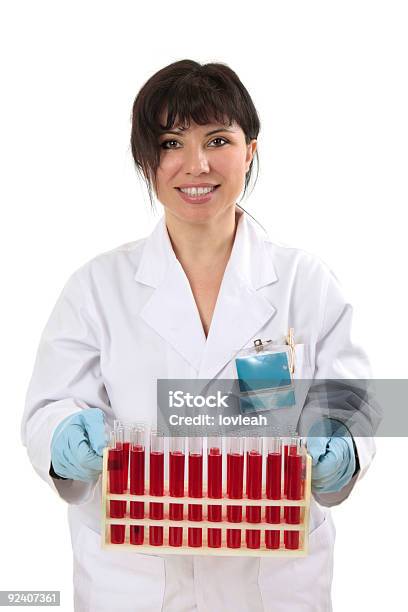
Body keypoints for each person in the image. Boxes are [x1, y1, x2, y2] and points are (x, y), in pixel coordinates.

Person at [21, 59, 376, 612]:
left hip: (272, 581)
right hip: (133, 583)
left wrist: (343, 438)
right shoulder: (97, 286)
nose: (196, 164)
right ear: (146, 162)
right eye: (170, 142)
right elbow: (47, 406)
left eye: (217, 139)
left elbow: (354, 396)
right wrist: (66, 433)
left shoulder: (305, 282)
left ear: (250, 150)